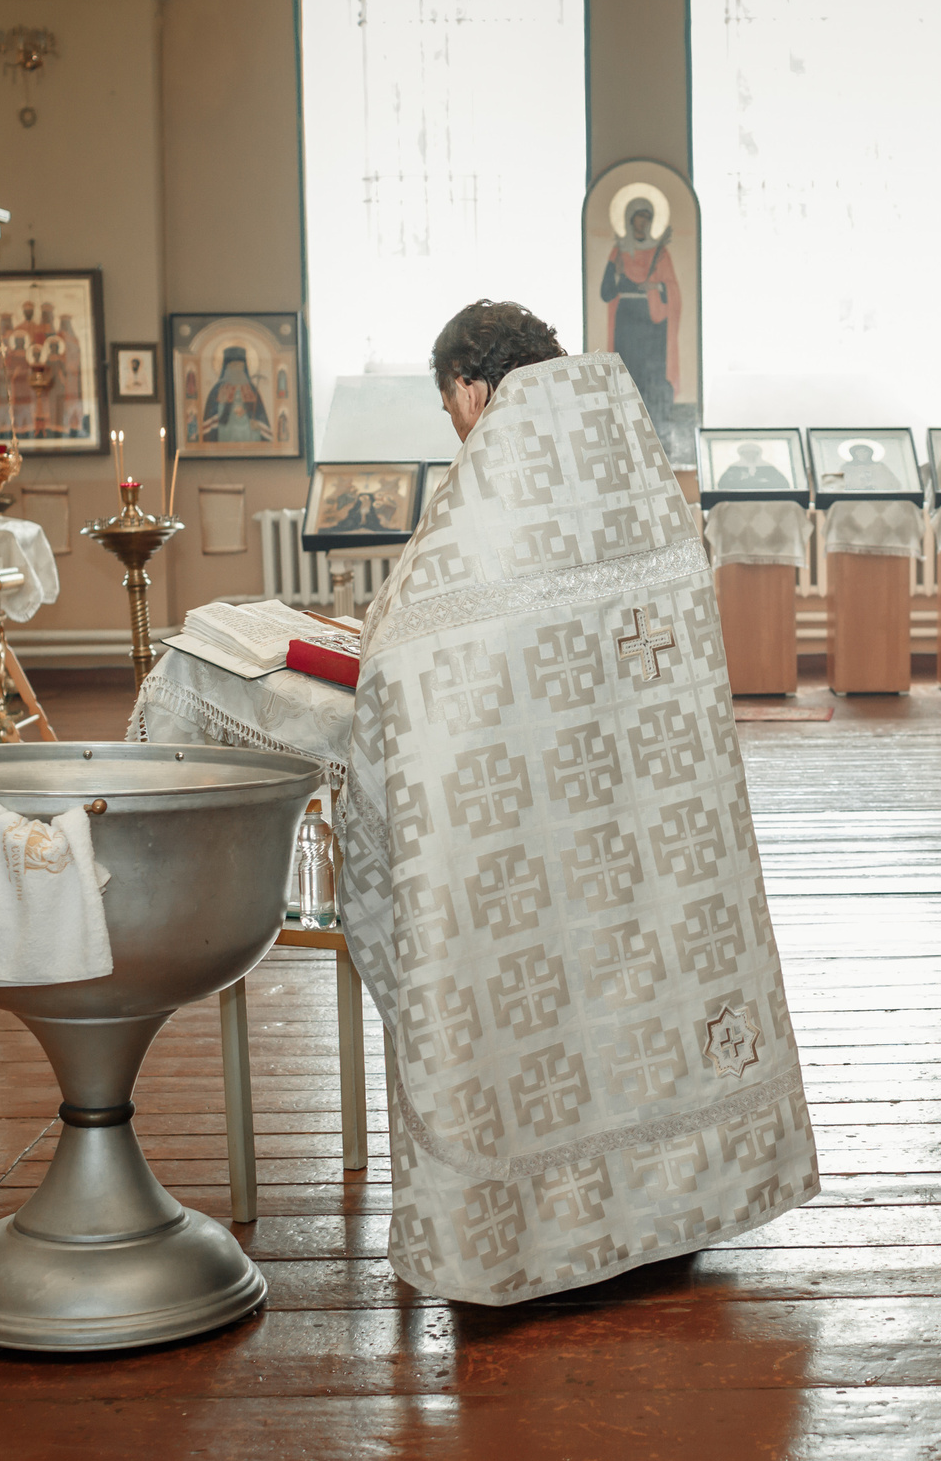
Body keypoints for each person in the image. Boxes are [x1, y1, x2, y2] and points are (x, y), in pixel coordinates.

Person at [341, 299, 821, 1304]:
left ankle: (541, 1229)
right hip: (651, 799)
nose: (461, 430)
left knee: (538, 998)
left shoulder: (503, 468)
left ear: (472, 386)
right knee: (649, 981)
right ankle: (670, 1206)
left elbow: (407, 652)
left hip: (519, 813)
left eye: (452, 409)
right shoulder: (621, 444)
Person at [600, 197, 681, 436]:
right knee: (629, 372)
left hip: (652, 321)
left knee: (651, 375)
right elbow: (606, 292)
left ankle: (653, 428)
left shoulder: (661, 252)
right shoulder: (618, 252)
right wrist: (617, 276)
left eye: (647, 217)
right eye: (638, 217)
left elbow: (672, 289)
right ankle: (627, 428)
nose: (642, 222)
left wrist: (654, 286)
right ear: (629, 220)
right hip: (626, 320)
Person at [716, 442, 790, 491]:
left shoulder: (767, 467)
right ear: (742, 454)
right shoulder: (734, 468)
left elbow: (783, 484)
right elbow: (722, 484)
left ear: (757, 454)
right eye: (747, 453)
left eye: (752, 453)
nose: (750, 455)